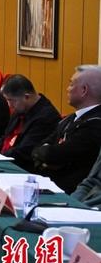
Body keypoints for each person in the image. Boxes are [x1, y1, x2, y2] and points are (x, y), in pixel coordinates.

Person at [32, 65, 101, 194]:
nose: (67, 89)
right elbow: (38, 147)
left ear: (84, 90)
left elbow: (54, 155)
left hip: (69, 193)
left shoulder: (96, 124)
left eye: (71, 84)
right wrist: (46, 155)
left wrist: (47, 156)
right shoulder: (71, 118)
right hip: (49, 184)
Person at [0, 75, 60, 173]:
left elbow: (24, 151)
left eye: (11, 100)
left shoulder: (45, 117)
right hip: (5, 160)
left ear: (26, 97)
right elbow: (6, 137)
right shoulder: (20, 108)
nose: (9, 105)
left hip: (22, 168)